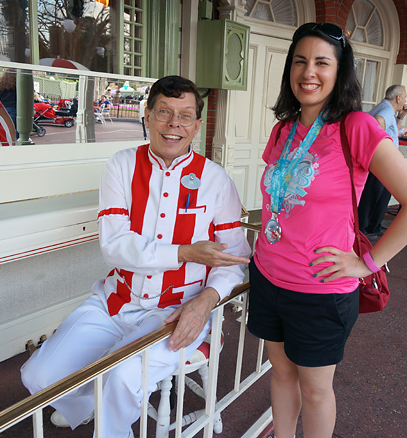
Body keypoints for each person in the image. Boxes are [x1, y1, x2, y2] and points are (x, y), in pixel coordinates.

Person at [20, 75, 251, 438]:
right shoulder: (122, 165)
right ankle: (88, 404)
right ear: (146, 116)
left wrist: (206, 300)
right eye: (164, 112)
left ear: (196, 125)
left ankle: (112, 424)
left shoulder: (216, 180)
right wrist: (186, 252)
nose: (174, 124)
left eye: (186, 115)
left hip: (177, 309)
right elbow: (113, 245)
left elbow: (235, 258)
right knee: (37, 376)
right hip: (117, 299)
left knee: (122, 379)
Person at [246, 23, 407, 438]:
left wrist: (367, 262)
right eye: (300, 61)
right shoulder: (284, 129)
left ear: (339, 71)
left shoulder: (357, 127)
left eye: (321, 62)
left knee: (315, 391)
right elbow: (279, 198)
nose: (308, 71)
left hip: (319, 291)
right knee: (280, 375)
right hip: (266, 276)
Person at [358, 84, 407, 239]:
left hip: (379, 159)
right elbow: (378, 121)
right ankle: (367, 229)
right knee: (374, 194)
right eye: (405, 96)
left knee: (379, 194)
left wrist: (401, 117)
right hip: (382, 160)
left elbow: (391, 129)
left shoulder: (385, 107)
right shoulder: (385, 110)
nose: (405, 100)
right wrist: (381, 147)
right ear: (398, 97)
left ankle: (372, 227)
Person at [0, 69, 18, 138]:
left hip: (2, 109)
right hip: (15, 109)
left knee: (4, 130)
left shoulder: (0, 84)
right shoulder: (17, 84)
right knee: (15, 132)